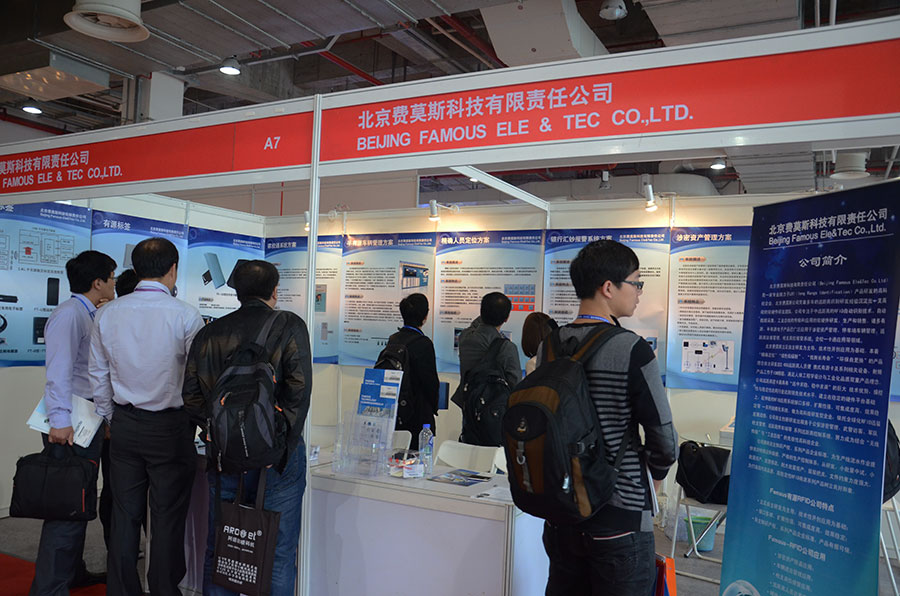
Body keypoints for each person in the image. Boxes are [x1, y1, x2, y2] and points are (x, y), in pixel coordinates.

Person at [539, 239, 678, 596]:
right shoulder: (632, 348)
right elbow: (664, 440)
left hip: (561, 514)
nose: (639, 293)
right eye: (636, 283)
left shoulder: (548, 346)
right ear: (608, 287)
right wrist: (653, 481)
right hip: (620, 519)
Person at [182, 260, 312, 596]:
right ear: (275, 291)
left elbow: (191, 396)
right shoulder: (289, 325)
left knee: (221, 548)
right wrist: (277, 444)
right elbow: (299, 391)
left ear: (237, 292)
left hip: (225, 458)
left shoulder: (209, 333)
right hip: (277, 463)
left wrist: (219, 433)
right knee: (278, 553)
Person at [89, 237, 203, 596]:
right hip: (170, 427)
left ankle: (122, 590)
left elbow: (98, 375)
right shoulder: (186, 315)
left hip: (124, 424)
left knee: (124, 515)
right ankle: (164, 590)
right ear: (173, 270)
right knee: (167, 517)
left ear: (135, 270)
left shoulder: (108, 313)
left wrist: (112, 417)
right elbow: (197, 379)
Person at [30, 250, 116, 596]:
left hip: (86, 420)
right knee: (66, 507)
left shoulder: (88, 312)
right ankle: (50, 588)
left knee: (79, 502)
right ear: (98, 283)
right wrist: (60, 421)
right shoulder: (70, 315)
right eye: (111, 277)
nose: (114, 282)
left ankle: (72, 573)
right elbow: (59, 371)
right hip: (70, 424)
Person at [455, 292, 522, 442]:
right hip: (496, 414)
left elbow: (475, 325)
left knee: (470, 447)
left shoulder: (465, 338)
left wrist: (486, 313)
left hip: (470, 408)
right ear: (507, 318)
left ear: (481, 312)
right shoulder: (507, 348)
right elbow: (515, 385)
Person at [383, 293, 439, 449]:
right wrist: (434, 407)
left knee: (396, 456)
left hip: (396, 412)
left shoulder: (393, 339)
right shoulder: (424, 343)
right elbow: (430, 383)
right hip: (418, 413)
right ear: (425, 316)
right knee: (419, 458)